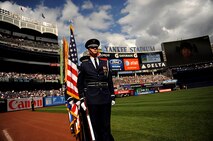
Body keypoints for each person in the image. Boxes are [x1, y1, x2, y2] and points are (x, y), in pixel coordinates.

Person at [77, 38, 115, 141]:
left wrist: (112, 95)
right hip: (92, 98)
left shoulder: (105, 63)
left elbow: (109, 80)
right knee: (95, 124)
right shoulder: (84, 64)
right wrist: (81, 98)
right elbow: (80, 83)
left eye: (96, 47)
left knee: (106, 124)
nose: (95, 49)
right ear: (89, 50)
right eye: (93, 47)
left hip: (105, 97)